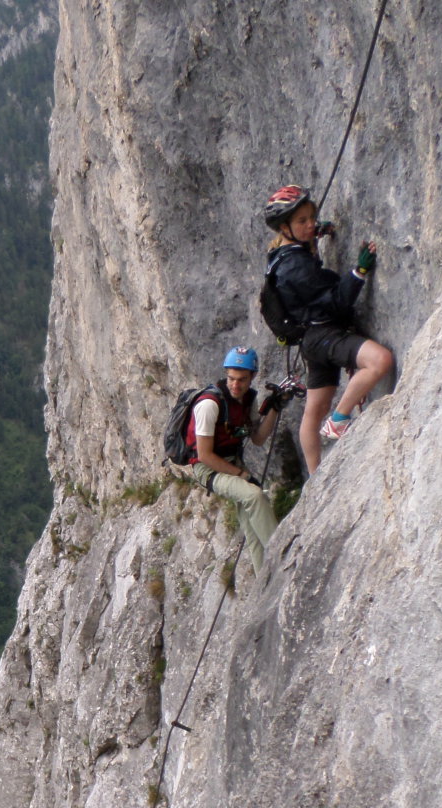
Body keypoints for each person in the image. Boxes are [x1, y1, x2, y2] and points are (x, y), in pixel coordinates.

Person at [262, 184, 394, 472]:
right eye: (302, 221)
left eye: (312, 218)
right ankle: (339, 420)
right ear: (284, 227)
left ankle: (314, 477)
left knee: (313, 412)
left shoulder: (281, 253)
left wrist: (317, 231)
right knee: (379, 361)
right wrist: (359, 272)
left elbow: (304, 246)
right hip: (325, 334)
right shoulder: (296, 267)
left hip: (310, 340)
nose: (310, 224)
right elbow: (336, 301)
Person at [185, 346, 290, 573]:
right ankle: (281, 554)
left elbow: (258, 438)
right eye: (231, 378)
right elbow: (204, 455)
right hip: (208, 469)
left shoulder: (247, 400)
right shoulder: (209, 405)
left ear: (252, 377)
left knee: (252, 530)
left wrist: (274, 408)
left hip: (232, 463)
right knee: (254, 495)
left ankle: (265, 579)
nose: (235, 385)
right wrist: (242, 475)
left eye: (242, 380)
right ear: (226, 375)